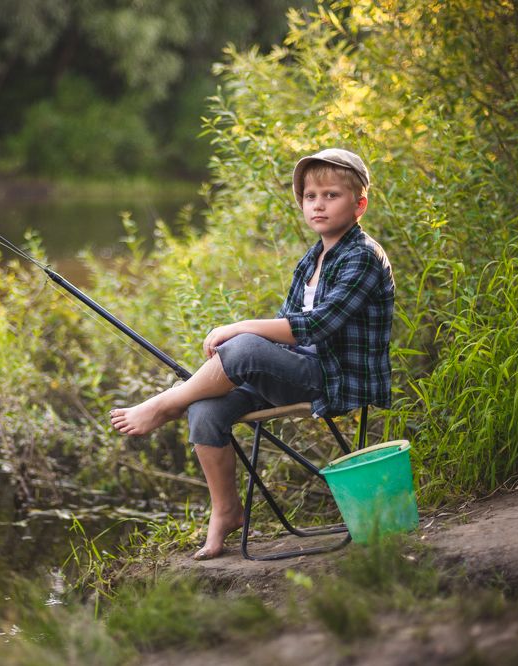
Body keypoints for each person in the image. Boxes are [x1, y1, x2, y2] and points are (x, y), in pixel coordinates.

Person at [110, 148, 395, 560]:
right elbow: (285, 329)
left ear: (359, 204)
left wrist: (240, 330)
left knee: (242, 345)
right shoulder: (311, 260)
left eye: (331, 195)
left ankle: (165, 403)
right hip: (296, 372)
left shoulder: (363, 257)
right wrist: (239, 361)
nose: (317, 204)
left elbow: (315, 327)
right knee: (205, 409)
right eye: (310, 196)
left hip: (334, 379)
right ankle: (226, 511)